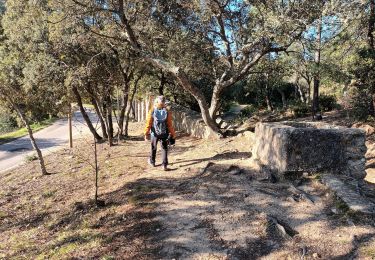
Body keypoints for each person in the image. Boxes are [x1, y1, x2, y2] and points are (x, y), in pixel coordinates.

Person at [144, 96, 176, 171]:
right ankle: (164, 165)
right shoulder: (167, 111)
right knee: (164, 148)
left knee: (153, 147)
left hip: (154, 133)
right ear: (164, 103)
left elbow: (148, 123)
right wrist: (173, 134)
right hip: (164, 133)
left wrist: (146, 133)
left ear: (157, 102)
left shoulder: (152, 110)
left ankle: (152, 162)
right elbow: (169, 125)